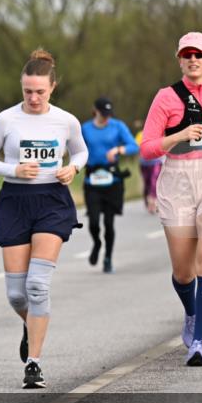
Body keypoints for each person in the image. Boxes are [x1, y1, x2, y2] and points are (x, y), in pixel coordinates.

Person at [0, 49, 87, 389]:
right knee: (17, 295)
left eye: (40, 91)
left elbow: (80, 150)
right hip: (14, 201)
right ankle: (31, 323)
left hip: (52, 201)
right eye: (28, 91)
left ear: (52, 87)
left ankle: (34, 363)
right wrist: (14, 169)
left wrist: (73, 167)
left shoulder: (66, 121)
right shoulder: (6, 120)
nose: (34, 98)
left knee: (38, 287)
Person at [140, 31, 202, 367]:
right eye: (187, 54)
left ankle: (198, 342)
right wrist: (179, 135)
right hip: (178, 182)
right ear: (179, 59)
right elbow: (148, 147)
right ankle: (192, 313)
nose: (193, 59)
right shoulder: (166, 98)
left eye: (199, 54)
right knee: (183, 272)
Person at [81, 97, 139, 274]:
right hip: (92, 180)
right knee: (93, 222)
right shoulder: (85, 129)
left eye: (108, 114)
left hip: (112, 180)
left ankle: (108, 258)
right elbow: (77, 149)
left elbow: (134, 146)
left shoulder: (118, 126)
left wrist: (118, 150)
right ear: (95, 111)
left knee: (108, 222)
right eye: (102, 114)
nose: (106, 117)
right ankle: (97, 243)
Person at [134, 121, 164, 214]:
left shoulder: (159, 134)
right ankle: (148, 202)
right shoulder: (140, 135)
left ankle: (153, 201)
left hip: (156, 162)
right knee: (147, 183)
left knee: (154, 181)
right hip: (144, 163)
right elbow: (136, 148)